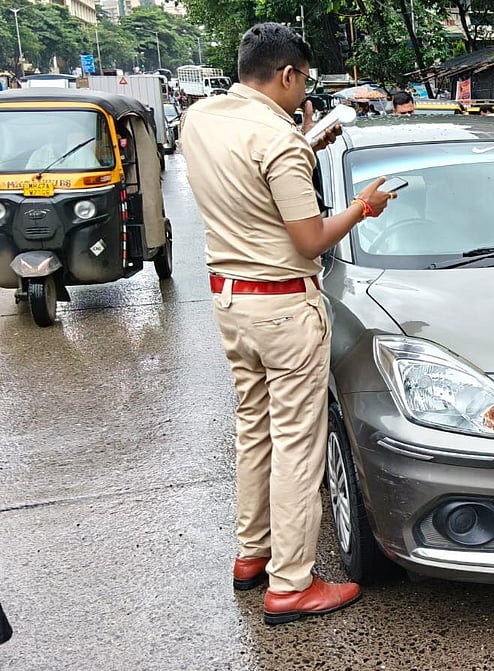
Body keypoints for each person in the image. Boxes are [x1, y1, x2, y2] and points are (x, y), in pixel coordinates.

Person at [180, 22, 394, 626]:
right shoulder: (280, 145)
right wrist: (362, 207)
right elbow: (309, 237)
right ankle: (292, 585)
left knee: (254, 428)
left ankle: (252, 554)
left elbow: (252, 174)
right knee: (300, 445)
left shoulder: (202, 119)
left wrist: (304, 145)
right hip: (283, 305)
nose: (306, 93)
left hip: (231, 304)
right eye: (304, 82)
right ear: (288, 75)